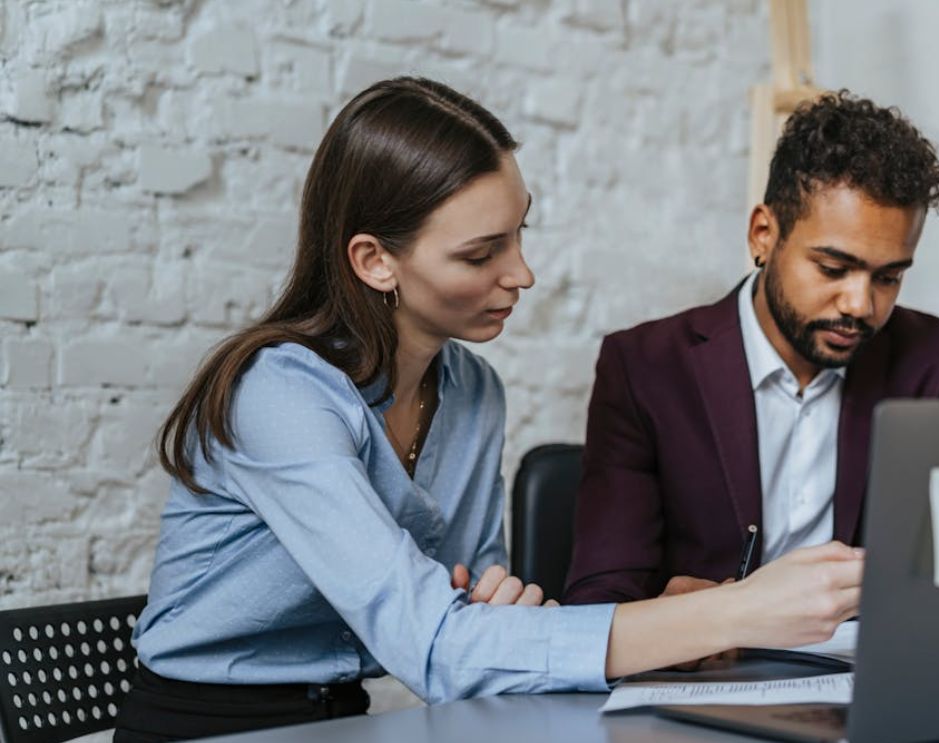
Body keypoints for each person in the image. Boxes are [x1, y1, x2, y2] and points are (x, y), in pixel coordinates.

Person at [113, 77, 862, 743]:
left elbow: (477, 619)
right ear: (375, 260)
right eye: (480, 254)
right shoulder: (277, 395)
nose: (522, 273)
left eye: (519, 233)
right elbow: (438, 647)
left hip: (344, 716)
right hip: (204, 726)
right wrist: (730, 613)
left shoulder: (470, 390)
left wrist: (496, 611)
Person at [564, 90, 939, 606]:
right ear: (763, 234)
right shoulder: (645, 367)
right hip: (707, 676)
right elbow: (599, 595)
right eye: (832, 268)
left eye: (889, 277)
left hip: (861, 674)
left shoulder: (932, 360)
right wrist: (683, 620)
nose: (860, 304)